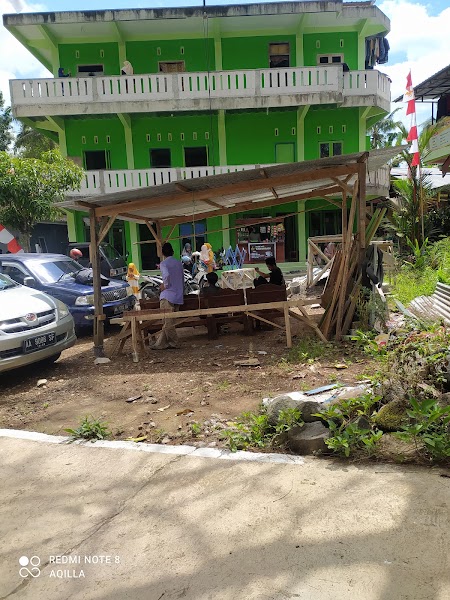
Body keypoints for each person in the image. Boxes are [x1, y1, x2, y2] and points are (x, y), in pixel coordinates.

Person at [150, 242, 184, 350]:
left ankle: (175, 342)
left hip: (168, 296)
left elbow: (167, 275)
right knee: (168, 322)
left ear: (162, 253)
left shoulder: (164, 264)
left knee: (167, 323)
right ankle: (161, 344)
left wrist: (165, 285)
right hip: (178, 295)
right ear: (172, 252)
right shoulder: (179, 263)